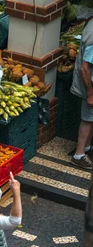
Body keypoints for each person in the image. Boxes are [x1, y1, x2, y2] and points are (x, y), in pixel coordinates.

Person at [70, 19, 93, 169]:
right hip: (91, 86)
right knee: (88, 118)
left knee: (91, 118)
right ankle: (79, 155)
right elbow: (84, 68)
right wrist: (90, 94)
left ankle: (86, 148)